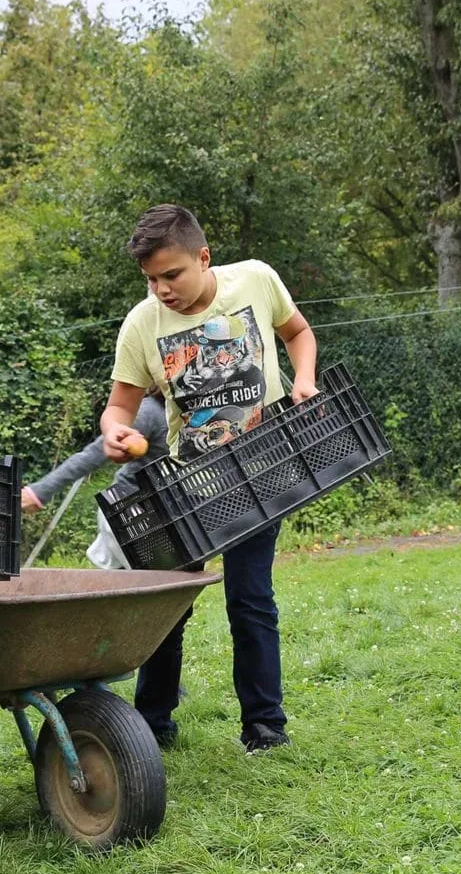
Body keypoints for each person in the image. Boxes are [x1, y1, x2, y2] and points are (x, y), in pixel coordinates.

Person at [99, 204, 318, 752]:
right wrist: (115, 434)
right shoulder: (142, 323)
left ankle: (265, 725)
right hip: (188, 484)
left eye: (171, 275)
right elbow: (117, 409)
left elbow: (299, 333)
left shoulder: (256, 280)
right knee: (169, 602)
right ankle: (152, 724)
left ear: (203, 257)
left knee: (250, 599)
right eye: (151, 279)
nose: (161, 290)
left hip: (260, 471)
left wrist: (305, 380)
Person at [21, 393, 168, 569]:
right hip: (128, 510)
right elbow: (94, 454)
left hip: (163, 512)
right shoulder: (149, 412)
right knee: (159, 576)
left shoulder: (195, 417)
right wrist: (39, 491)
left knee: (127, 584)